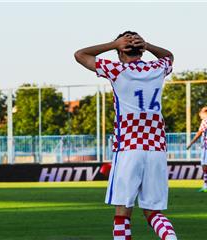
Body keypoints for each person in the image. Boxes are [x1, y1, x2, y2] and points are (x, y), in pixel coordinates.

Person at [74, 31, 177, 240]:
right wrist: (148, 45)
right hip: (157, 148)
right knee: (153, 212)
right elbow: (169, 56)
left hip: (129, 147)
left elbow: (80, 54)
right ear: (141, 50)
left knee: (122, 213)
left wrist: (113, 44)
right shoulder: (156, 68)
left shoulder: (117, 69)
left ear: (120, 52)